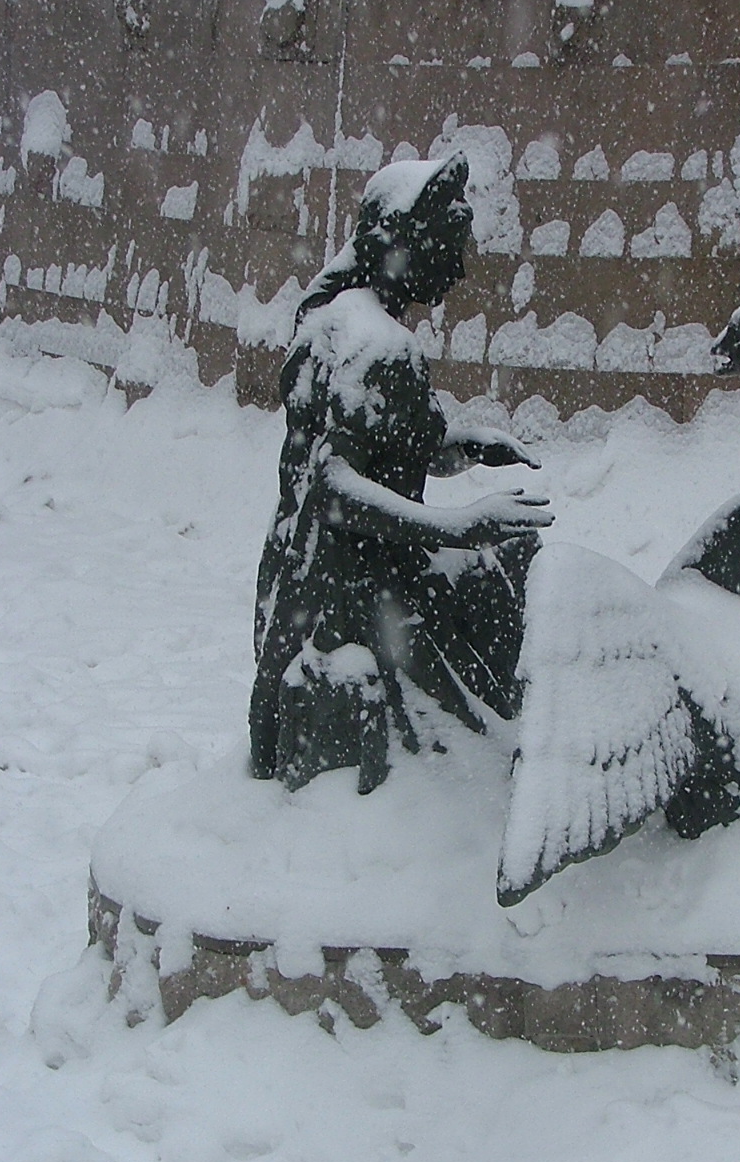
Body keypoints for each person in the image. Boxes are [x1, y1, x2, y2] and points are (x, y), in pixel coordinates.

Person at [249, 153, 552, 793]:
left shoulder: (331, 319)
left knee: (494, 570)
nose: (459, 269)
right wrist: (459, 525)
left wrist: (466, 448)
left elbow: (387, 455)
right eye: (450, 249)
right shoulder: (381, 347)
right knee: (504, 574)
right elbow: (335, 489)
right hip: (363, 589)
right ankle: (491, 763)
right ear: (402, 242)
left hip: (302, 579)